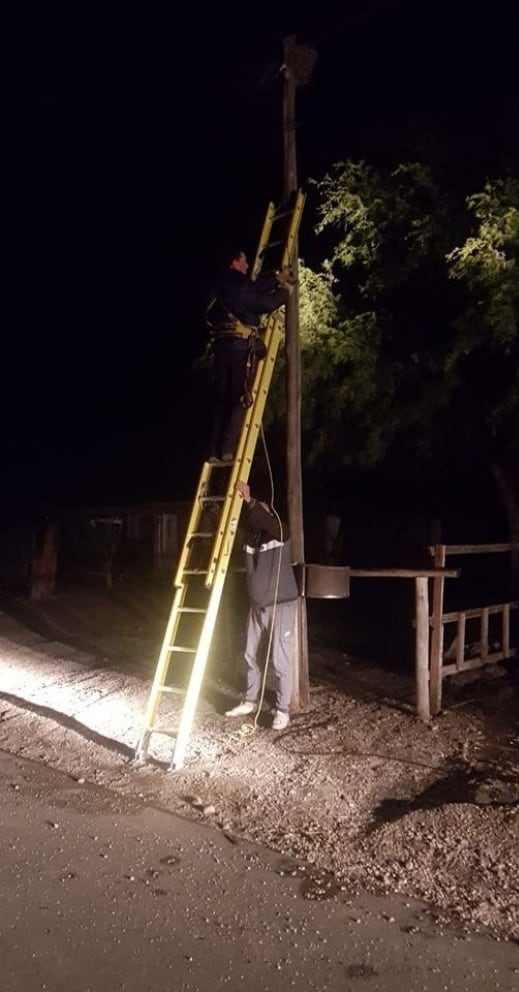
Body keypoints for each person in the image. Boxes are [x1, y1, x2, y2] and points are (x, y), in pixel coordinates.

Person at [205, 248, 294, 462]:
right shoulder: (238, 284)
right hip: (239, 349)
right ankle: (227, 449)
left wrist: (275, 278)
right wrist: (285, 292)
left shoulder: (220, 285)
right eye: (244, 262)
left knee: (222, 400)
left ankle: (212, 452)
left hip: (221, 349)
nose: (247, 266)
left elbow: (253, 289)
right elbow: (263, 302)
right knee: (239, 398)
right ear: (235, 263)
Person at [225, 479, 299, 730]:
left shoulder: (281, 532)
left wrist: (251, 501)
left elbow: (266, 520)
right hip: (257, 607)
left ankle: (282, 710)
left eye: (264, 509)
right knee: (248, 654)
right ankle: (249, 700)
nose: (260, 513)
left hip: (282, 605)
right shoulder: (251, 540)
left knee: (280, 660)